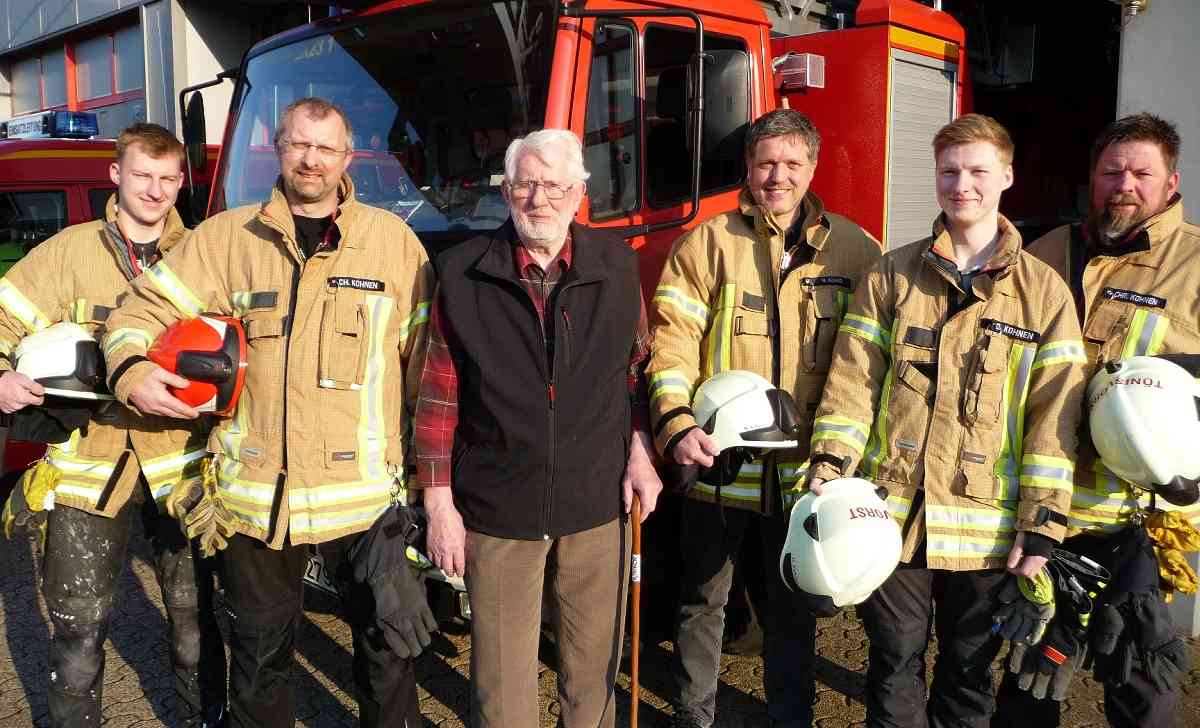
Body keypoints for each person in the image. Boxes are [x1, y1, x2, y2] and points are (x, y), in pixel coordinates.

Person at [100, 98, 435, 728]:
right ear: (278, 149)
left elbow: (426, 370)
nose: (311, 160)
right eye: (298, 145)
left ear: (348, 156)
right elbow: (135, 315)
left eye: (325, 148)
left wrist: (425, 488)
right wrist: (135, 372)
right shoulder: (226, 240)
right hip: (256, 508)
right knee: (259, 668)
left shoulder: (393, 244)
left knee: (389, 665)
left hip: (367, 507)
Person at [804, 114, 1088, 728]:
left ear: (1007, 177)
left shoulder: (1044, 293)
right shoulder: (892, 275)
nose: (963, 184)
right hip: (893, 516)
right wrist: (829, 470)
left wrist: (1042, 524)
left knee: (968, 673)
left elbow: (1054, 417)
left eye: (978, 171)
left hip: (988, 527)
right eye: (950, 171)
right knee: (894, 658)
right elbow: (852, 383)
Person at [416, 128, 662, 728]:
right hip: (498, 506)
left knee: (593, 680)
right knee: (501, 695)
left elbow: (635, 375)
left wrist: (640, 449)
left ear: (579, 193)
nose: (539, 198)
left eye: (554, 184)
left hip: (596, 499)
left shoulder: (616, 264)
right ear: (507, 191)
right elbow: (437, 396)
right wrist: (439, 504)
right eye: (526, 183)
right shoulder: (460, 273)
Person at [646, 108, 881, 728]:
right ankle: (694, 717)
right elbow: (671, 344)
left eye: (791, 163)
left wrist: (842, 462)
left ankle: (791, 719)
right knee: (702, 604)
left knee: (792, 608)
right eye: (765, 163)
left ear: (812, 168)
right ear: (747, 169)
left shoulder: (858, 251)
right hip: (718, 468)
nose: (777, 176)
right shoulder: (707, 241)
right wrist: (675, 424)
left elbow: (864, 367)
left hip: (806, 478)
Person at [0, 123, 225, 727]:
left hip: (183, 467)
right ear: (116, 175)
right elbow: (3, 316)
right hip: (89, 467)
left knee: (195, 624)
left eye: (167, 178)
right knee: (79, 632)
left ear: (182, 181)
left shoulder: (206, 251)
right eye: (142, 175)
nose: (154, 190)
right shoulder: (69, 251)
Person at [994, 113, 1199, 727]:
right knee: (1034, 665)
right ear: (1092, 178)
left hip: (1144, 516)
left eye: (1142, 172)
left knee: (1139, 673)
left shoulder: (1194, 265)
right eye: (1112, 172)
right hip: (1049, 505)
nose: (1125, 185)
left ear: (1171, 182)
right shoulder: (1046, 253)